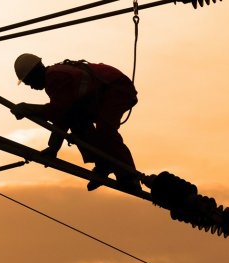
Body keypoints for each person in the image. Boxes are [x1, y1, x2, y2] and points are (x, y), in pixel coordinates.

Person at [11, 53, 141, 192]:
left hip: (115, 89)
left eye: (29, 82)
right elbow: (64, 116)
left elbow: (58, 111)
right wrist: (53, 148)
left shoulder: (55, 77)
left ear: (34, 74)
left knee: (105, 131)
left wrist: (28, 109)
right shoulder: (54, 78)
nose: (31, 87)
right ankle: (103, 163)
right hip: (100, 95)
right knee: (77, 122)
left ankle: (129, 177)